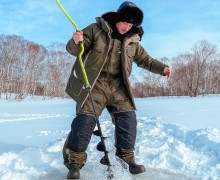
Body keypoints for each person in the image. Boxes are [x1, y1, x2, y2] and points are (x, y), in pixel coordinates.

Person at [63, 1, 172, 179]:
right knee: (85, 122)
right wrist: (75, 41)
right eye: (125, 22)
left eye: (131, 24)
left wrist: (163, 68)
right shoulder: (96, 29)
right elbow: (75, 49)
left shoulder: (133, 41)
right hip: (95, 84)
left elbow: (146, 60)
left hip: (118, 85)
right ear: (118, 18)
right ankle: (74, 163)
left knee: (128, 118)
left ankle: (126, 158)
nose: (127, 27)